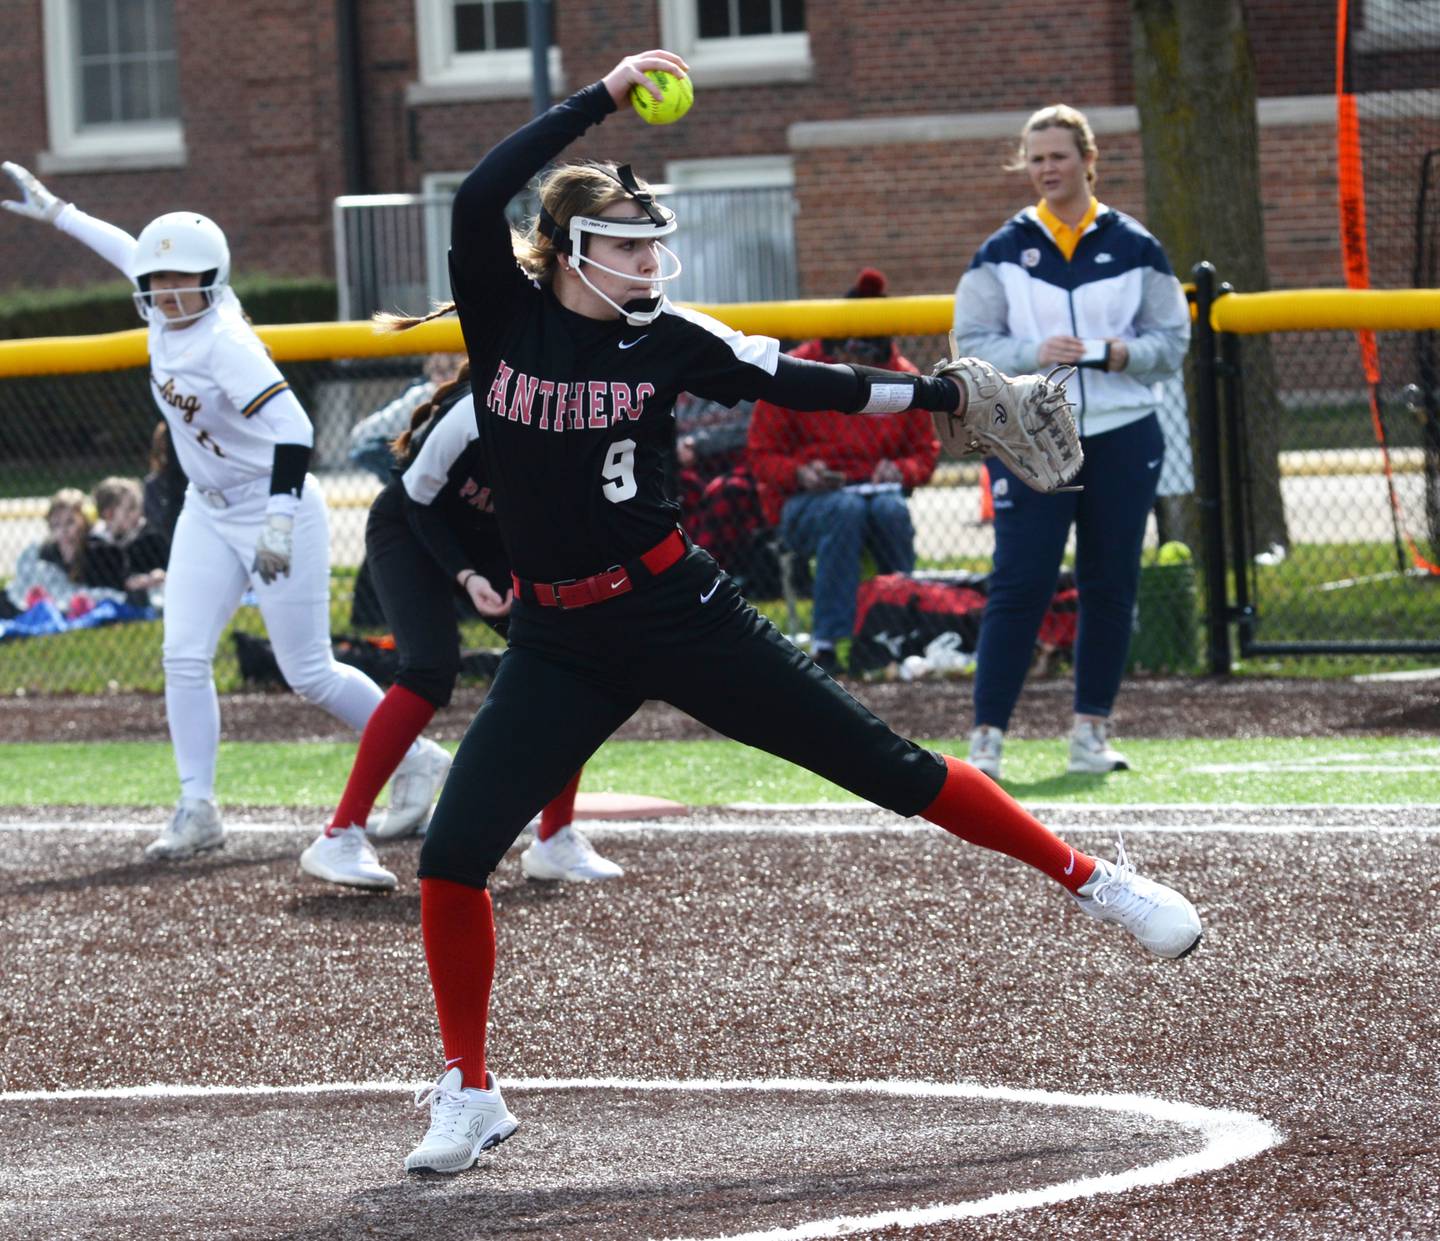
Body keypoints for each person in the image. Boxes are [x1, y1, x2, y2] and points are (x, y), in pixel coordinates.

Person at [381, 50, 1200, 1176]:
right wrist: (604, 97)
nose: (652, 257)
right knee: (454, 853)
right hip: (561, 637)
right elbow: (481, 196)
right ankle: (468, 1091)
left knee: (890, 767)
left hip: (678, 607)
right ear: (572, 250)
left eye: (654, 240)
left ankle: (1095, 879)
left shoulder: (671, 335)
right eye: (628, 242)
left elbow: (805, 382)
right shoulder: (506, 314)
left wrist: (947, 393)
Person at [0, 161, 449, 859]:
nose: (170, 290)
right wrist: (57, 210)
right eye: (160, 280)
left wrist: (274, 518)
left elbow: (296, 429)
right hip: (208, 510)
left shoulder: (224, 341)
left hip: (276, 507)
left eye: (186, 278)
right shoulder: (160, 305)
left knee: (309, 671)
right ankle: (197, 805)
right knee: (182, 653)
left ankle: (419, 756)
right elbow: (128, 248)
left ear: (214, 279)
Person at [298, 365, 622, 890]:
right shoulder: (473, 413)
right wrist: (466, 576)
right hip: (411, 529)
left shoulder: (576, 416)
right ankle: (340, 836)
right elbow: (419, 504)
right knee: (429, 669)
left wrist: (526, 577)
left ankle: (555, 840)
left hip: (487, 545)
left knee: (577, 664)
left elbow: (556, 522)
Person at [952, 103, 1190, 780]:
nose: (1046, 169)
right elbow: (972, 341)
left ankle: (1091, 732)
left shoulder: (1136, 243)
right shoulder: (1001, 250)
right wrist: (1033, 349)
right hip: (1032, 437)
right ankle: (986, 743)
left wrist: (1120, 353)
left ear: (1089, 159)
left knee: (1111, 584)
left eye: (1058, 156)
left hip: (1123, 432)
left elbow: (1172, 341)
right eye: (1036, 158)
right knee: (1019, 583)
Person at [749, 266, 940, 675]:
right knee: (844, 511)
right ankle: (828, 644)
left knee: (890, 510)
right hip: (804, 505)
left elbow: (926, 454)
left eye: (867, 354)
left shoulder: (901, 376)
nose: (857, 361)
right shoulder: (794, 372)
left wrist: (900, 470)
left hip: (877, 499)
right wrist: (801, 473)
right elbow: (761, 456)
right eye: (849, 349)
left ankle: (898, 633)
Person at [3, 487, 121, 617]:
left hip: (84, 595)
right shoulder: (48, 549)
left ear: (85, 521)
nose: (63, 530)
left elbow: (104, 586)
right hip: (56, 595)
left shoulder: (98, 548)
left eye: (70, 522)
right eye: (56, 524)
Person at [86, 476, 170, 603]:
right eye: (130, 508)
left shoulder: (149, 535)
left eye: (138, 507)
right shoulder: (96, 544)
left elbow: (163, 563)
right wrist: (127, 583)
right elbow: (98, 580)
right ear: (109, 514)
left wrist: (156, 574)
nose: (138, 513)